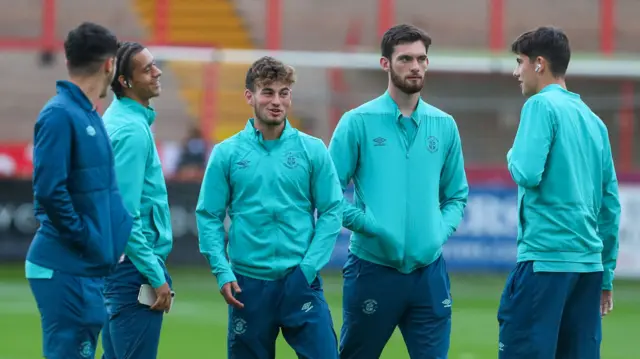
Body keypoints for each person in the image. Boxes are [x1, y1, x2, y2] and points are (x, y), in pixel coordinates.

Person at [329, 24, 469, 359]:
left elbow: (456, 196)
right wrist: (369, 225)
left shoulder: (444, 125)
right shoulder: (357, 121)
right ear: (385, 64)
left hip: (429, 274)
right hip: (372, 270)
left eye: (421, 58)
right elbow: (328, 192)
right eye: (405, 58)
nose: (415, 66)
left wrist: (439, 231)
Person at [195, 56, 343, 359]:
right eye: (267, 92)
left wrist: (308, 269)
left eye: (283, 92)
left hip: (300, 280)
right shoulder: (227, 153)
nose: (276, 101)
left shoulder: (312, 149)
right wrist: (222, 272)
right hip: (247, 287)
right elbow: (208, 216)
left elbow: (332, 211)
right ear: (250, 96)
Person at [498, 26, 621, 359]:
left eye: (519, 62)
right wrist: (606, 272)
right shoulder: (594, 122)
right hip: (588, 268)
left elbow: (526, 172)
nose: (515, 72)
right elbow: (610, 206)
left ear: (539, 64)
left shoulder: (540, 107)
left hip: (546, 262)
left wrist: (512, 152)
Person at [25, 22, 132, 359]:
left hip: (84, 265)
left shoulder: (87, 114)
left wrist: (109, 239)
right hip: (65, 264)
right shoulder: (59, 115)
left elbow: (97, 192)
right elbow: (49, 191)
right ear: (110, 65)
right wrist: (88, 239)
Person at [100, 42, 174, 359]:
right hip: (133, 270)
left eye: (154, 64)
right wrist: (156, 276)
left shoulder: (114, 119)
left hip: (113, 264)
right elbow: (125, 215)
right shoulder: (132, 130)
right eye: (147, 68)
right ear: (125, 82)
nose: (157, 71)